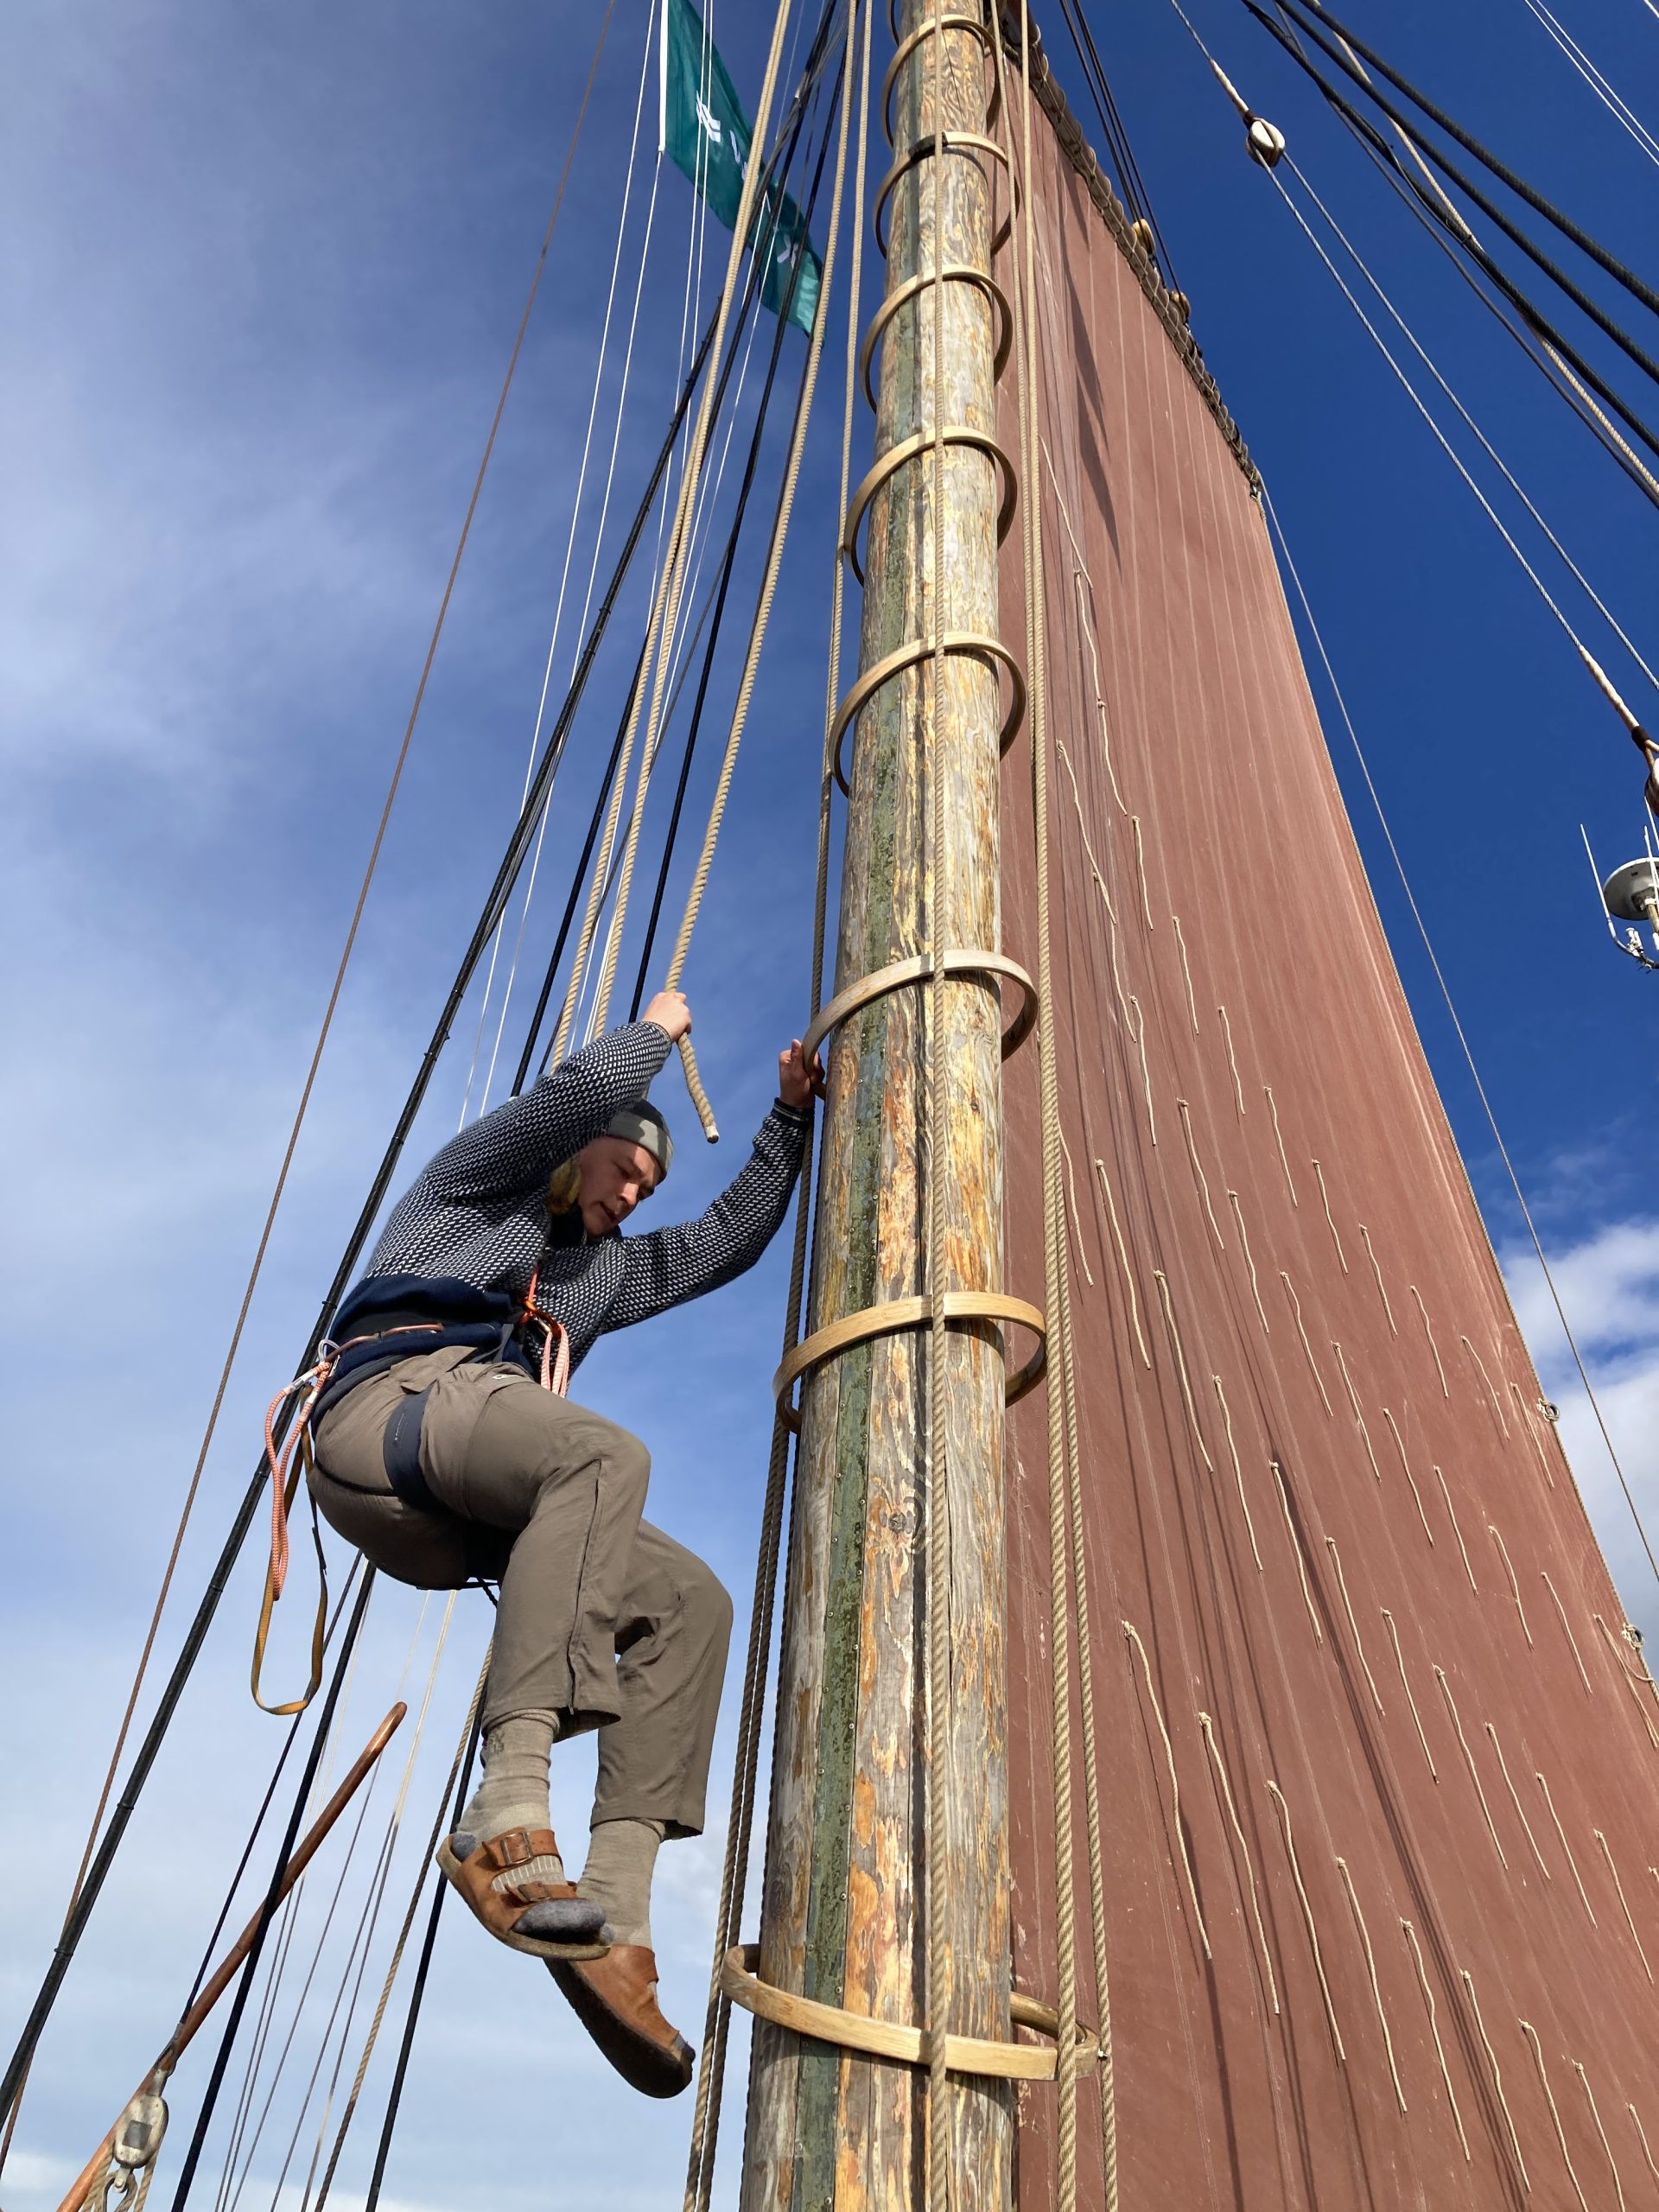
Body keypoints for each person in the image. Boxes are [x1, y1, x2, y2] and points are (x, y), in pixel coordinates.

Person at [307, 989, 813, 2098]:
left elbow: (719, 1246)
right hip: (386, 1409)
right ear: (582, 1150)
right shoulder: (480, 1184)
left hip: (473, 1493)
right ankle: (508, 1804)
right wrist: (655, 1033)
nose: (632, 1192)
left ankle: (614, 1920)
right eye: (624, 1168)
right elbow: (575, 1093)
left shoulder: (600, 1272)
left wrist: (788, 1121)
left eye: (647, 1187)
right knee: (602, 1455)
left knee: (692, 1600)